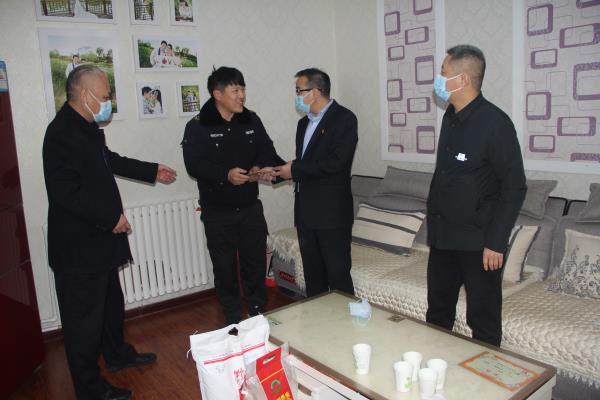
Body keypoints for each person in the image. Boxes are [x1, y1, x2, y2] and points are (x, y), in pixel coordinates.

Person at [42, 65, 177, 400]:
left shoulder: (88, 127)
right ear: (84, 94)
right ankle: (90, 388)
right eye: (104, 96)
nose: (108, 102)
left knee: (109, 307)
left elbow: (108, 160)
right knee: (83, 323)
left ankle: (117, 354)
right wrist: (110, 217)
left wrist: (151, 170)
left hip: (99, 242)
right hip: (78, 247)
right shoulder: (60, 133)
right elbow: (64, 192)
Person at [425, 44, 527, 347]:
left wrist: (496, 242)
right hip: (443, 237)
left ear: (463, 79)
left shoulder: (495, 123)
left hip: (478, 243)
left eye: (443, 72)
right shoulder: (451, 116)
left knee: (483, 322)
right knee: (437, 314)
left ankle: (485, 374)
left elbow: (514, 186)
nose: (438, 79)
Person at [181, 66, 284, 325]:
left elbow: (266, 148)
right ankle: (233, 318)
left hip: (250, 208)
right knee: (224, 268)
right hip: (218, 212)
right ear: (218, 94)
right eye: (235, 90)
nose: (241, 96)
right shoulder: (197, 126)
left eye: (243, 89)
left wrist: (259, 165)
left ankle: (257, 310)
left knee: (255, 263)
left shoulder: (251, 119)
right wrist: (225, 175)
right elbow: (194, 165)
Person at [273, 68, 358, 297]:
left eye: (299, 90)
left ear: (316, 91)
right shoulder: (303, 124)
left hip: (331, 214)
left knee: (338, 277)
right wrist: (278, 172)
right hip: (305, 212)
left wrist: (294, 169)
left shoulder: (344, 119)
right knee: (313, 278)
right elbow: (306, 164)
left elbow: (336, 163)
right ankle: (317, 319)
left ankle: (343, 319)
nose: (297, 96)